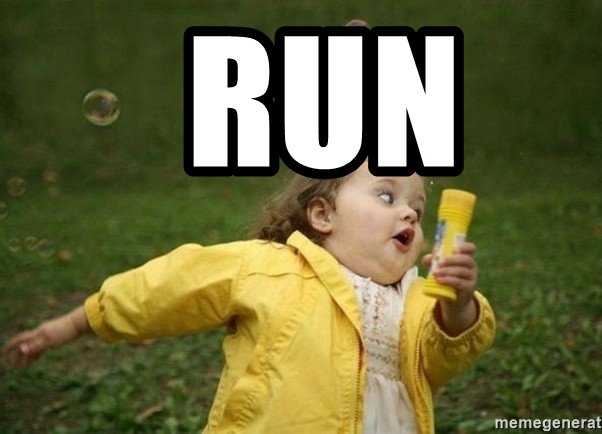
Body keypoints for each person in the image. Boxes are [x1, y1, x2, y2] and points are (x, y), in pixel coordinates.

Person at [2, 161, 496, 433]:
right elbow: (167, 288)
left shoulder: (419, 301)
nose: (408, 214)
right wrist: (70, 325)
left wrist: (457, 305)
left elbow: (441, 357)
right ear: (323, 215)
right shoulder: (269, 267)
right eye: (386, 196)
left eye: (417, 208)